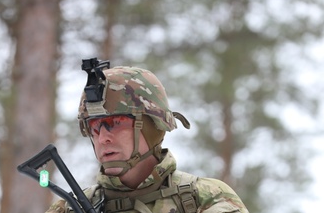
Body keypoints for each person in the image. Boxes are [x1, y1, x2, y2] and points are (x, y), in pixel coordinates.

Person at [46, 58, 249, 213]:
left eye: (116, 123)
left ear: (152, 125)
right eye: (94, 127)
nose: (102, 138)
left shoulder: (204, 197)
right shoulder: (69, 208)